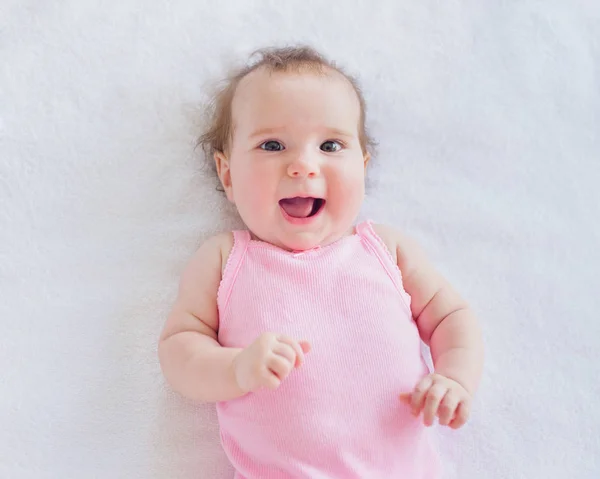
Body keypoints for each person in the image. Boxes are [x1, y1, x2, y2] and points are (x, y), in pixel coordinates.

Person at [158, 45, 484, 478]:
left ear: (362, 169)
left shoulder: (386, 251)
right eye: (272, 145)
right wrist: (234, 368)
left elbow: (451, 316)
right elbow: (179, 348)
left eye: (330, 145)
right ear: (228, 175)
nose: (303, 165)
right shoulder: (225, 260)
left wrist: (455, 377)